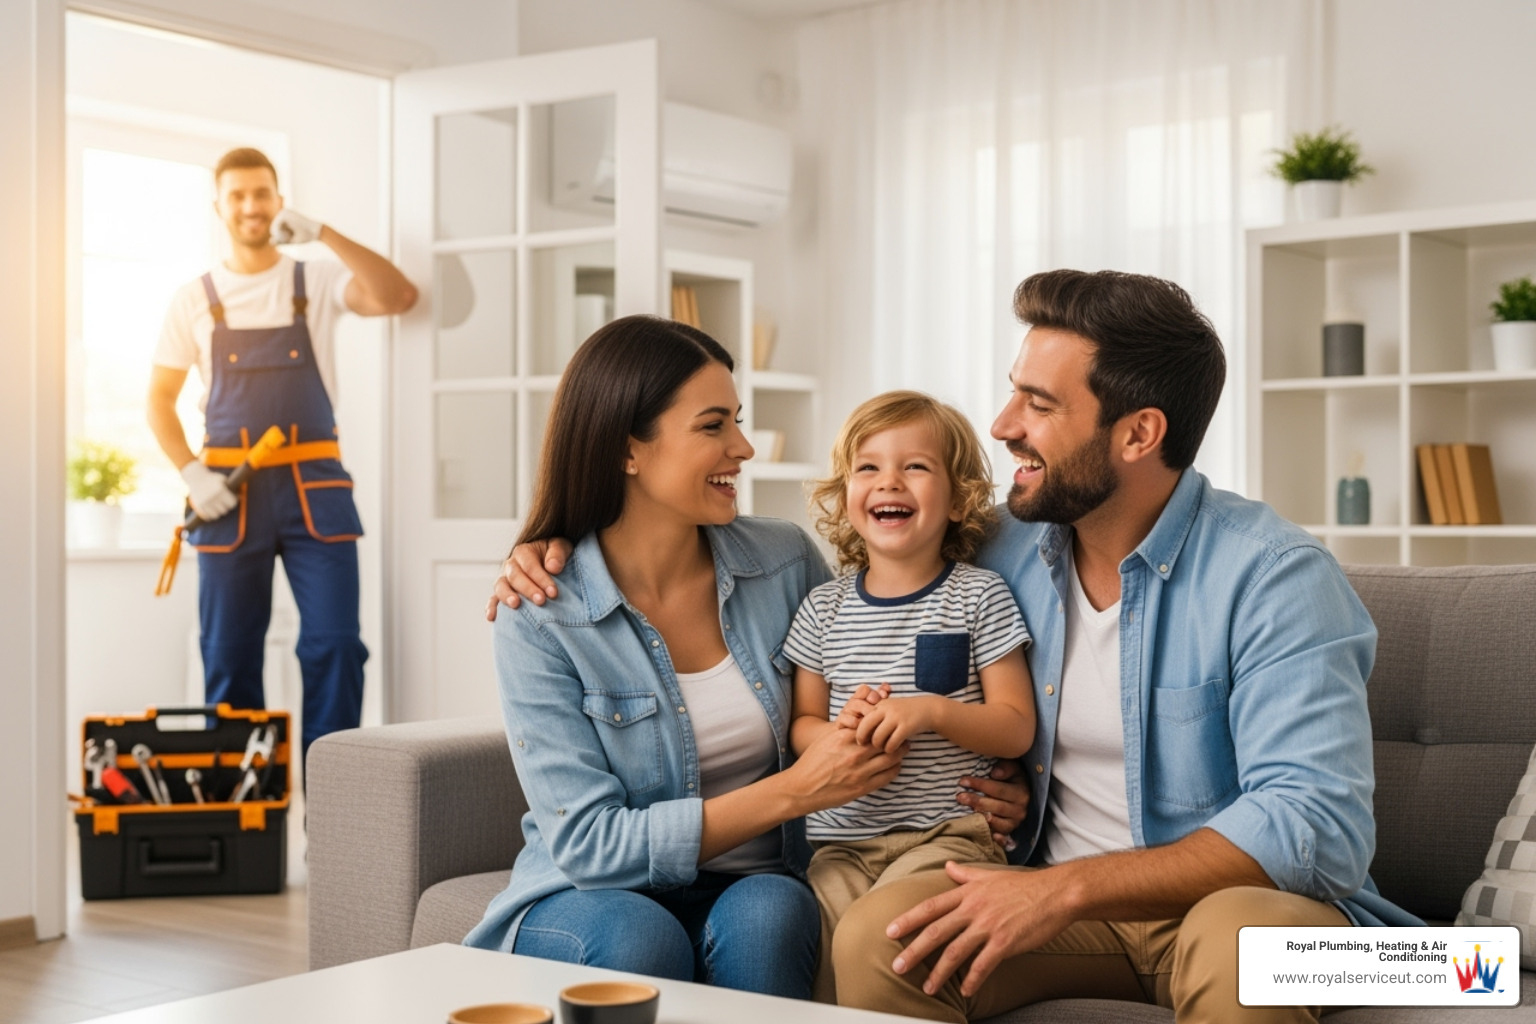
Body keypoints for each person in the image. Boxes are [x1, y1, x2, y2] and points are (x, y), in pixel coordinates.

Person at [825, 269, 1421, 1024]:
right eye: (1015, 392)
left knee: (1235, 938)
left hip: (1280, 924)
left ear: (1139, 433)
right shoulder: (1000, 551)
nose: (1004, 424)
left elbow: (1315, 825)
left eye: (1039, 405)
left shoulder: (1275, 576)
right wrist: (996, 782)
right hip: (1080, 923)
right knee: (886, 934)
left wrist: (1066, 887)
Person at [473, 319, 1032, 1000]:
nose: (742, 447)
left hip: (758, 880)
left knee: (773, 915)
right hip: (590, 893)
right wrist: (798, 790)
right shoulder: (541, 612)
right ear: (628, 450)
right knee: (639, 938)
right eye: (713, 427)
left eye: (737, 422)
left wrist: (990, 777)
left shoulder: (783, 561)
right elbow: (592, 847)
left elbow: (878, 645)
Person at [147, 147, 417, 762]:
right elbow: (159, 400)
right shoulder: (194, 299)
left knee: (335, 646)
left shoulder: (313, 279)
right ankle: (249, 828)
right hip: (228, 492)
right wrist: (192, 472)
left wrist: (322, 233)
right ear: (218, 206)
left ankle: (333, 819)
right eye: (237, 195)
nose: (250, 206)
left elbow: (396, 294)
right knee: (228, 654)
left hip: (313, 489)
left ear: (278, 199)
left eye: (261, 193)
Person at [783, 390, 1036, 1003]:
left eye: (915, 467)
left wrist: (929, 711)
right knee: (826, 967)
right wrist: (841, 732)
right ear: (847, 496)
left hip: (948, 836)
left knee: (888, 945)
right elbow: (801, 726)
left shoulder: (980, 597)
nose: (888, 482)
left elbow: (1015, 726)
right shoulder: (822, 609)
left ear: (958, 500)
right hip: (840, 846)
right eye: (867, 468)